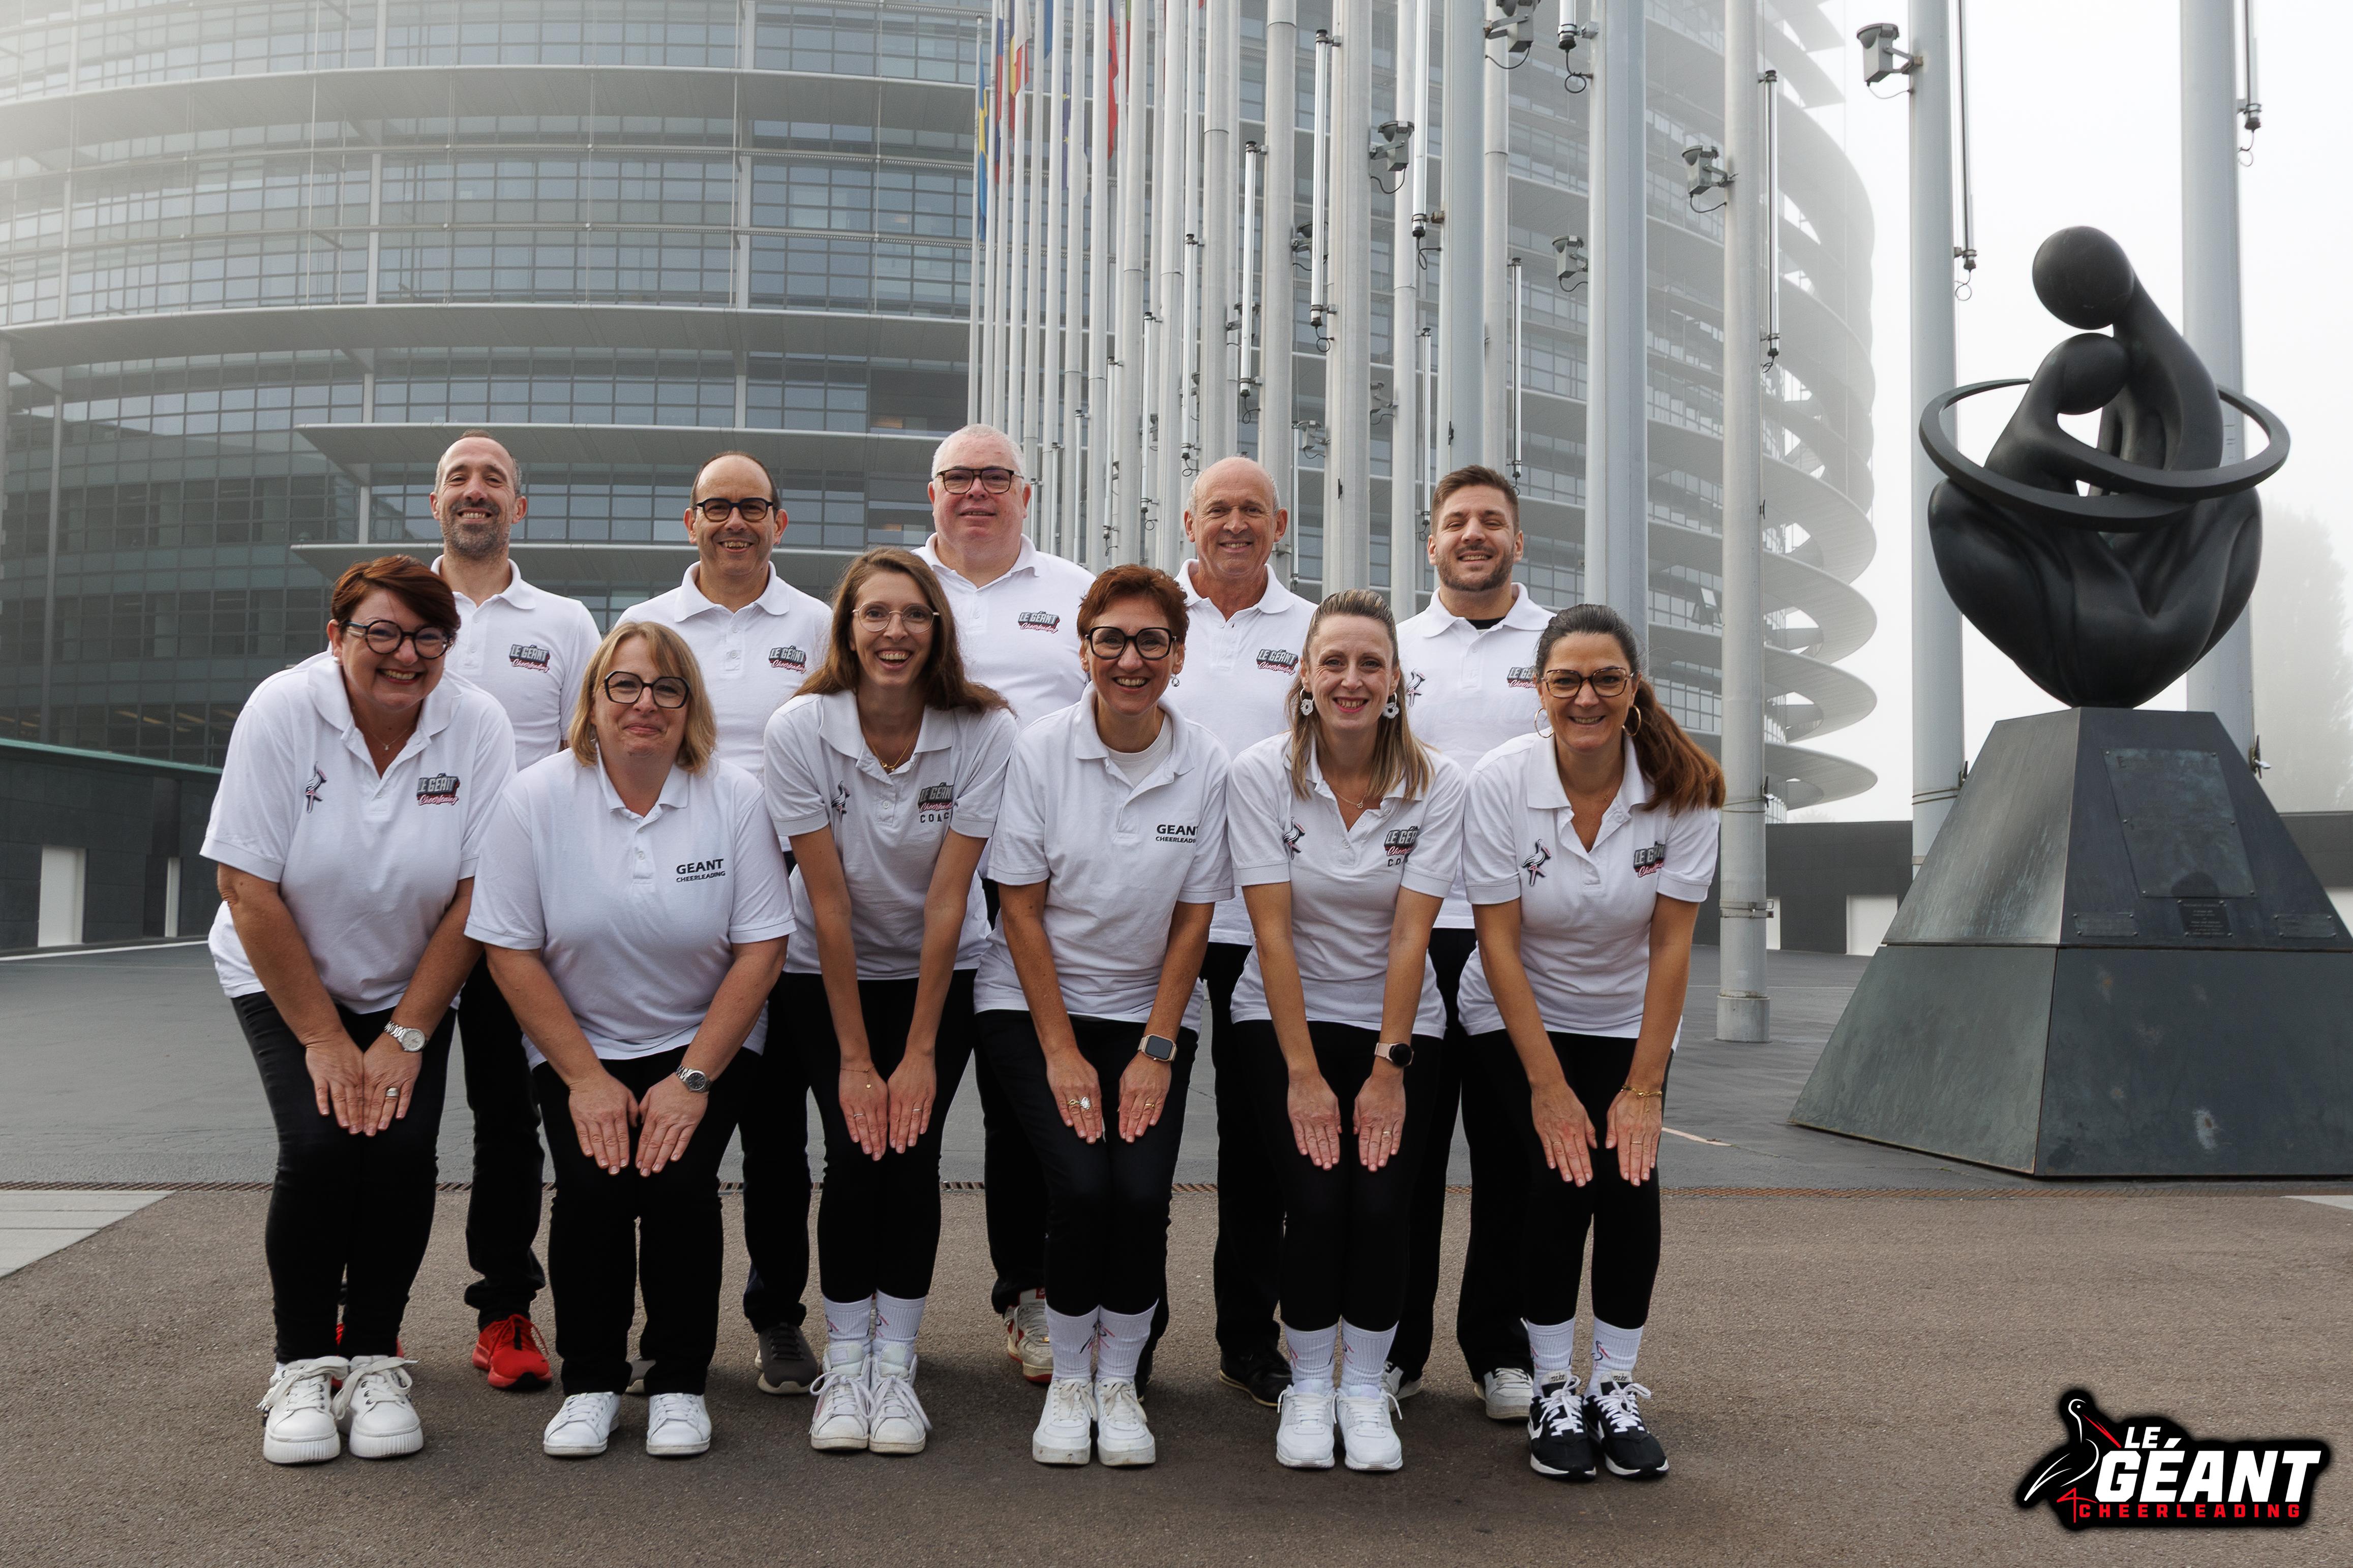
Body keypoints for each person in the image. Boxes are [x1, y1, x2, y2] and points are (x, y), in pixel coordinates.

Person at [207, 556, 516, 1465]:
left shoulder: (478, 722)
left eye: (428, 637)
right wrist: (322, 1039)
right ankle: (304, 1362)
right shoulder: (283, 709)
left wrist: (406, 1034)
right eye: (382, 632)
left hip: (411, 978)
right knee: (318, 1146)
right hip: (282, 970)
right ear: (336, 636)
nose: (406, 655)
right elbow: (245, 884)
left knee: (401, 1150)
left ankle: (374, 1355)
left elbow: (478, 894)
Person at [469, 622, 794, 1460]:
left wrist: (692, 1081)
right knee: (594, 1187)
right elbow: (509, 949)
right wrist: (584, 1079)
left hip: (705, 1037)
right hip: (579, 1040)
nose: (645, 703)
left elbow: (762, 949)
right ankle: (592, 1383)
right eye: (625, 684)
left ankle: (680, 1381)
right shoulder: (534, 798)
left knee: (680, 1183)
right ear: (594, 699)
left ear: (691, 705)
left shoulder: (737, 796)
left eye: (666, 687)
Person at [975, 564, 1232, 1468]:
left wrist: (1156, 1048)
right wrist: (1062, 1051)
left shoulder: (1205, 761)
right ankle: (1071, 1381)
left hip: (1146, 1012)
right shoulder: (1040, 749)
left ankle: (1117, 1380)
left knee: (1142, 1191)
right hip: (1030, 1004)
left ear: (1179, 655)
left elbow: (1195, 918)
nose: (1131, 659)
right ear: (1083, 651)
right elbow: (1019, 909)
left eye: (1151, 641)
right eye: (1111, 639)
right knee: (1084, 1187)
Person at [763, 548, 1018, 1457]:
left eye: (914, 614)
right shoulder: (799, 728)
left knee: (908, 1153)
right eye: (875, 614)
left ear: (938, 629)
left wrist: (916, 1055)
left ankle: (896, 1363)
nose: (895, 632)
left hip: (939, 971)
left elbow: (951, 899)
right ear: (847, 628)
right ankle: (847, 1362)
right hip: (820, 968)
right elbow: (827, 901)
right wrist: (856, 1059)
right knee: (852, 1148)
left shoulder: (986, 729)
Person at [1459, 603, 1722, 1482]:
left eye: (1607, 679)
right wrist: (1548, 1085)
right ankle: (1551, 1387)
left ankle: (1612, 1384)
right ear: (1540, 690)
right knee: (1562, 1173)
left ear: (1633, 687)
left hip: (1625, 1016)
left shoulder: (1686, 785)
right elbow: (1497, 942)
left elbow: (1672, 945)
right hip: (1513, 1011)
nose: (1586, 697)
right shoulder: (1500, 781)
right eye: (1566, 680)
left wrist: (1643, 1090)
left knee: (1630, 1178)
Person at [1227, 590, 1464, 1473]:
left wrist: (1388, 1068)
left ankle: (1364, 1388)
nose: (1351, 679)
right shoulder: (1259, 773)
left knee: (1382, 1203)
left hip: (1398, 1025)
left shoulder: (1440, 782)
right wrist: (1303, 1074)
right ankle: (1308, 1384)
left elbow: (1411, 935)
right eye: (1333, 661)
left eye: (1371, 663)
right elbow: (1272, 933)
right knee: (1319, 1200)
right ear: (1304, 675)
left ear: (1397, 680)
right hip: (1281, 1017)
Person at [618, 451, 829, 1397]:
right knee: (670, 1139)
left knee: (779, 1143)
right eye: (717, 507)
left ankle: (778, 1316)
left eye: (752, 507)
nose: (734, 522)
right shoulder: (647, 627)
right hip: (673, 910)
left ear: (779, 521)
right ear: (690, 520)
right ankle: (663, 1332)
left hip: (783, 912)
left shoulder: (820, 626)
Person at [913, 423, 1095, 1384]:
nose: (977, 492)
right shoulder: (895, 587)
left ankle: (1030, 1288)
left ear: (1026, 494)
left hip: (1043, 878)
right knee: (917, 1094)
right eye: (959, 477)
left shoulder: (1073, 594)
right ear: (932, 493)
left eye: (996, 477)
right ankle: (884, 1312)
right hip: (919, 874)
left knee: (1024, 1102)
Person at [429, 429, 600, 1393]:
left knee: (507, 1122)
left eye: (493, 478)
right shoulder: (401, 607)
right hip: (410, 912)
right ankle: (356, 1310)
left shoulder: (565, 622)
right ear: (436, 504)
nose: (476, 490)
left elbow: (589, 756)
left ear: (518, 506)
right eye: (458, 477)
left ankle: (504, 1310)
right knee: (387, 1121)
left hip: (514, 918)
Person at [1392, 465, 1553, 1418]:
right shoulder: (1394, 648)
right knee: (1405, 1159)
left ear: (1518, 541)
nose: (1474, 534)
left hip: (1518, 938)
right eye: (1457, 521)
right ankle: (1394, 1351)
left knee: (1512, 1160)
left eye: (1492, 520)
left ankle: (1501, 1351)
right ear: (1432, 543)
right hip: (1413, 931)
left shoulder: (1563, 645)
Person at [1162, 456, 1315, 1408]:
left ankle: (1249, 1338)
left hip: (1270, 919)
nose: (1234, 523)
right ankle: (1123, 1328)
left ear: (1280, 524)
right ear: (1189, 522)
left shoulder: (1310, 631)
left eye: (1252, 509)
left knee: (1260, 1144)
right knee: (1140, 1130)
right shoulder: (1147, 618)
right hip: (1162, 916)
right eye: (1217, 509)